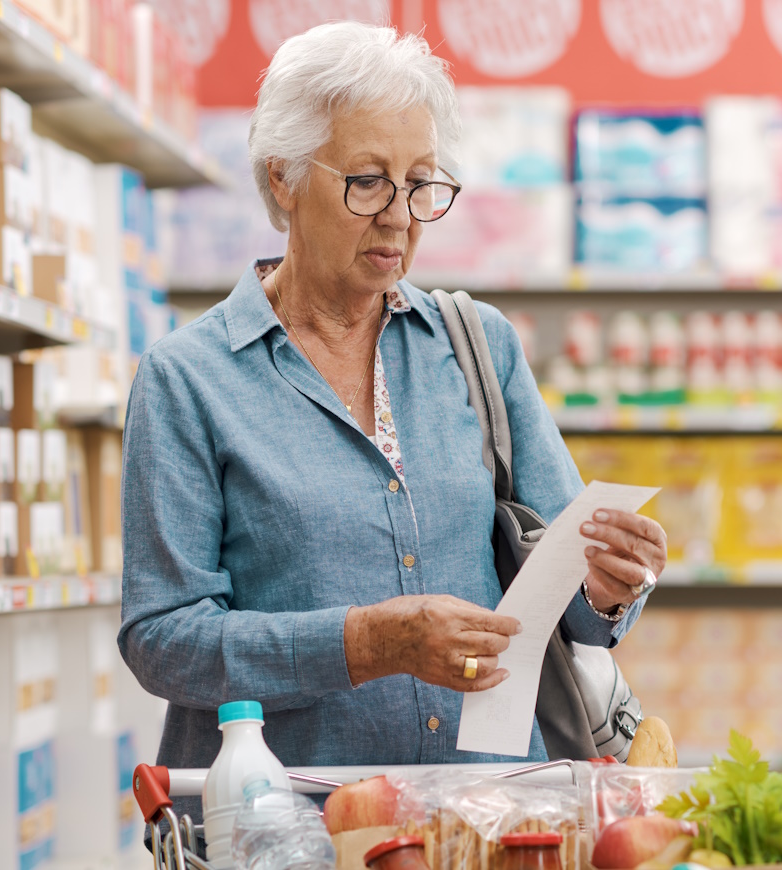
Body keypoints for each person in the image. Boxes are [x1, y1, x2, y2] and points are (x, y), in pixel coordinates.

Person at [116, 20, 668, 809]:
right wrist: (367, 643)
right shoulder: (189, 380)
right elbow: (163, 641)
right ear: (283, 179)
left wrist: (609, 587)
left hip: (485, 818)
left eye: (422, 183)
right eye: (368, 181)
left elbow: (565, 594)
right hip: (289, 830)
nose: (401, 215)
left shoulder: (479, 347)